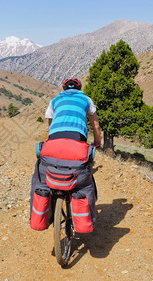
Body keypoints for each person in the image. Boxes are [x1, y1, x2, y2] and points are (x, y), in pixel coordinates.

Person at [29, 78, 101, 232]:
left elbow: (50, 122)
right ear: (80, 88)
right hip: (77, 143)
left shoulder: (55, 100)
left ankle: (44, 214)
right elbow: (95, 123)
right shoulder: (86, 99)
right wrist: (97, 141)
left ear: (63, 89)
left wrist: (53, 139)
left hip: (54, 142)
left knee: (41, 175)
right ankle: (82, 217)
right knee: (83, 179)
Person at [45, 78, 101, 145]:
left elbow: (50, 125)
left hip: (55, 135)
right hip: (78, 135)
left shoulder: (54, 101)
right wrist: (97, 142)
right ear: (79, 88)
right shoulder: (87, 100)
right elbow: (96, 125)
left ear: (64, 88)